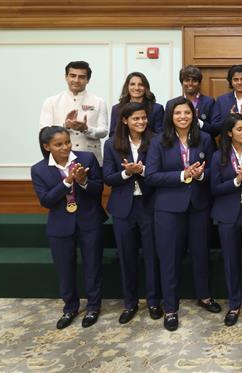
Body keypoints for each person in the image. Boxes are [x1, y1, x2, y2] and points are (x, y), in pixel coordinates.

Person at [146, 97, 221, 331]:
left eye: (187, 113)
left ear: (193, 115)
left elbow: (214, 170)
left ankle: (204, 296)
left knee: (200, 254)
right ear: (170, 116)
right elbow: (151, 176)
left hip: (198, 206)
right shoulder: (159, 141)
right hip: (168, 209)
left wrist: (199, 175)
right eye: (178, 113)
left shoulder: (205, 139)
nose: (183, 117)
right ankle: (170, 308)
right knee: (169, 259)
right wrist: (182, 175)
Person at [31, 126, 106, 329]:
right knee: (65, 269)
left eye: (67, 142)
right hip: (60, 225)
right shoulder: (38, 169)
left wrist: (83, 182)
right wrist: (67, 182)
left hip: (89, 220)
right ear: (47, 147)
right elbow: (46, 201)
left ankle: (93, 307)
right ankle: (70, 307)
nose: (65, 147)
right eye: (58, 144)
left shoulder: (87, 159)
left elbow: (99, 189)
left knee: (93, 265)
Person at [102, 102, 162, 324]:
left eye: (144, 118)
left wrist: (143, 170)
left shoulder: (156, 140)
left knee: (151, 255)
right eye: (136, 118)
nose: (141, 122)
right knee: (127, 256)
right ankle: (130, 303)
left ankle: (154, 301)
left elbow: (161, 172)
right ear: (125, 120)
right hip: (123, 207)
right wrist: (126, 173)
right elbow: (108, 177)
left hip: (149, 205)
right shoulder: (111, 144)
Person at [210, 113, 242, 326]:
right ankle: (234, 304)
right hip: (227, 214)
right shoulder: (218, 156)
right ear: (229, 132)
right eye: (239, 129)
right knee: (231, 260)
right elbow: (213, 188)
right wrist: (236, 180)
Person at [40, 61, 108, 163]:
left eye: (81, 77)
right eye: (72, 76)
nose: (76, 80)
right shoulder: (51, 102)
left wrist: (86, 129)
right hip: (60, 159)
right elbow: (44, 131)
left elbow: (104, 132)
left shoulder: (99, 101)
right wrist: (65, 126)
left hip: (92, 158)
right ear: (66, 77)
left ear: (88, 80)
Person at [166, 65, 220, 138]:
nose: (190, 84)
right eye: (187, 80)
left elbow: (215, 131)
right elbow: (166, 130)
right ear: (182, 83)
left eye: (194, 81)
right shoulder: (171, 104)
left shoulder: (209, 102)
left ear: (199, 83)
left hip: (204, 146)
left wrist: (198, 121)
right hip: (178, 146)